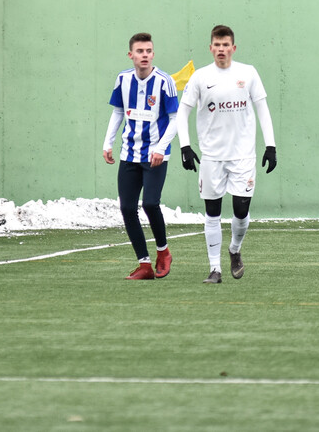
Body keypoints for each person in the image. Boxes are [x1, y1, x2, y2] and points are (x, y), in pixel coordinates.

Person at [176, 25, 276, 285]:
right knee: (212, 212)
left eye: (226, 45)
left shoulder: (248, 73)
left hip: (243, 156)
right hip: (211, 157)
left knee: (241, 211)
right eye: (217, 45)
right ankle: (214, 269)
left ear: (233, 48)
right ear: (211, 48)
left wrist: (271, 146)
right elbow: (182, 113)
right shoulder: (200, 77)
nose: (221, 50)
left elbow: (262, 109)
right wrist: (185, 146)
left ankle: (234, 249)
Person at [102, 32, 179, 280]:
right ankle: (144, 264)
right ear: (131, 55)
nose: (144, 55)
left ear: (153, 54)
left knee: (150, 203)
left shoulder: (164, 82)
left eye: (148, 51)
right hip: (129, 154)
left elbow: (176, 119)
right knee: (126, 207)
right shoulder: (123, 80)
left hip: (156, 155)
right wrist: (108, 143)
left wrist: (161, 148)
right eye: (139, 51)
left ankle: (163, 252)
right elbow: (118, 112)